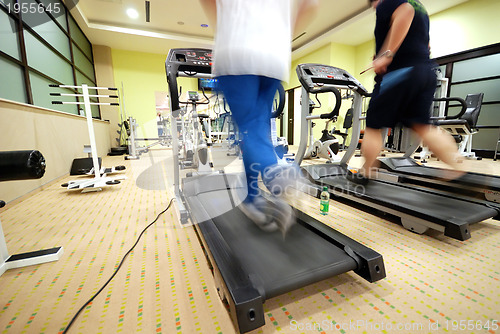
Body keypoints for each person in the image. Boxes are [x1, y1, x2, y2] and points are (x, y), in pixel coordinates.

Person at [199, 0, 318, 235]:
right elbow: (311, 5)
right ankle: (252, 198)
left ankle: (279, 173)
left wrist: (224, 27)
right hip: (274, 57)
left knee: (250, 131)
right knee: (257, 132)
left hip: (237, 53)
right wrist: (282, 33)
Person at [348, 0, 465, 185]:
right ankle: (457, 166)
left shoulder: (388, 2)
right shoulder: (419, 5)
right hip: (425, 71)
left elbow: (405, 11)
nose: (374, 8)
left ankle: (366, 171)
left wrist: (387, 54)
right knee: (422, 126)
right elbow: (424, 45)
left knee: (373, 126)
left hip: (399, 74)